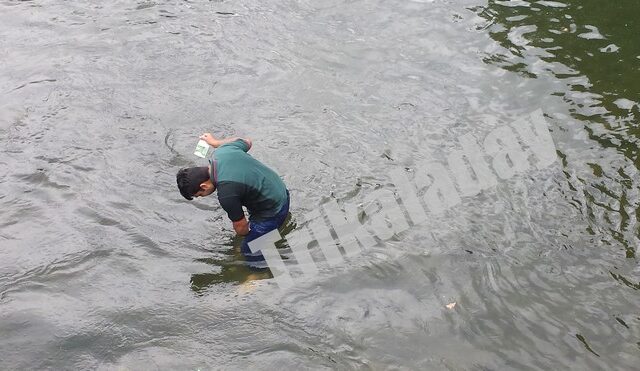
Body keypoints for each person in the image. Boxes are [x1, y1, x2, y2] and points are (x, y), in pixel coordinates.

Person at [176, 133, 290, 263]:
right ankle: (273, 231)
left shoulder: (226, 193)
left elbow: (241, 228)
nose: (202, 197)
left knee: (249, 251)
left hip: (275, 211)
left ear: (203, 186)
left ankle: (258, 276)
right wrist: (215, 142)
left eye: (200, 195)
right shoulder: (221, 152)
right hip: (282, 191)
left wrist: (248, 238)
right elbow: (247, 141)